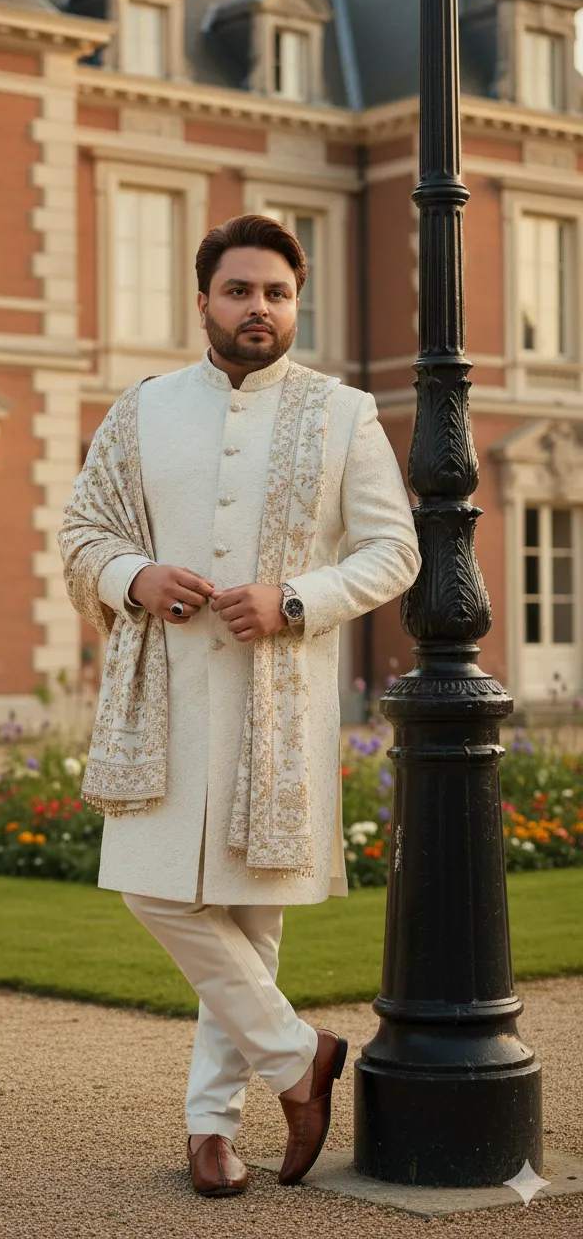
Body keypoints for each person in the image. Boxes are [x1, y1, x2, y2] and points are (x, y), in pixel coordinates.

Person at [57, 213, 421, 1198]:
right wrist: (132, 574)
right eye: (239, 290)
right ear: (204, 298)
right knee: (153, 884)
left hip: (280, 702)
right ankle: (299, 1056)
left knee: (253, 923)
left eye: (276, 293)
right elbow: (84, 525)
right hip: (165, 695)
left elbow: (394, 550)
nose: (258, 308)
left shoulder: (342, 413)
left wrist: (295, 599)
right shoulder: (144, 408)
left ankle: (211, 1132)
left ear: (294, 304)